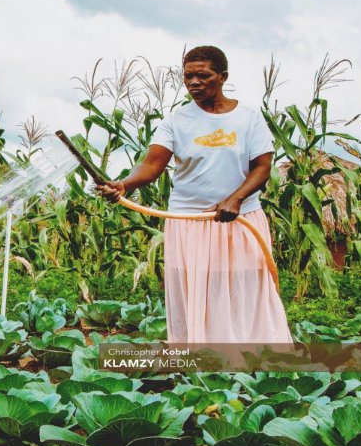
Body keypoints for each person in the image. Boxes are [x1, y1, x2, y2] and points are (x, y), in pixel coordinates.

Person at [94, 45, 293, 345]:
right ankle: (201, 358)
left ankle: (255, 355)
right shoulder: (177, 120)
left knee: (246, 286)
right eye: (188, 77)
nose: (194, 83)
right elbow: (151, 164)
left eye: (203, 75)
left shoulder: (249, 119)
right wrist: (125, 185)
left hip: (241, 219)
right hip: (189, 222)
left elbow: (262, 168)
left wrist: (235, 198)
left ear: (222, 77)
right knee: (197, 289)